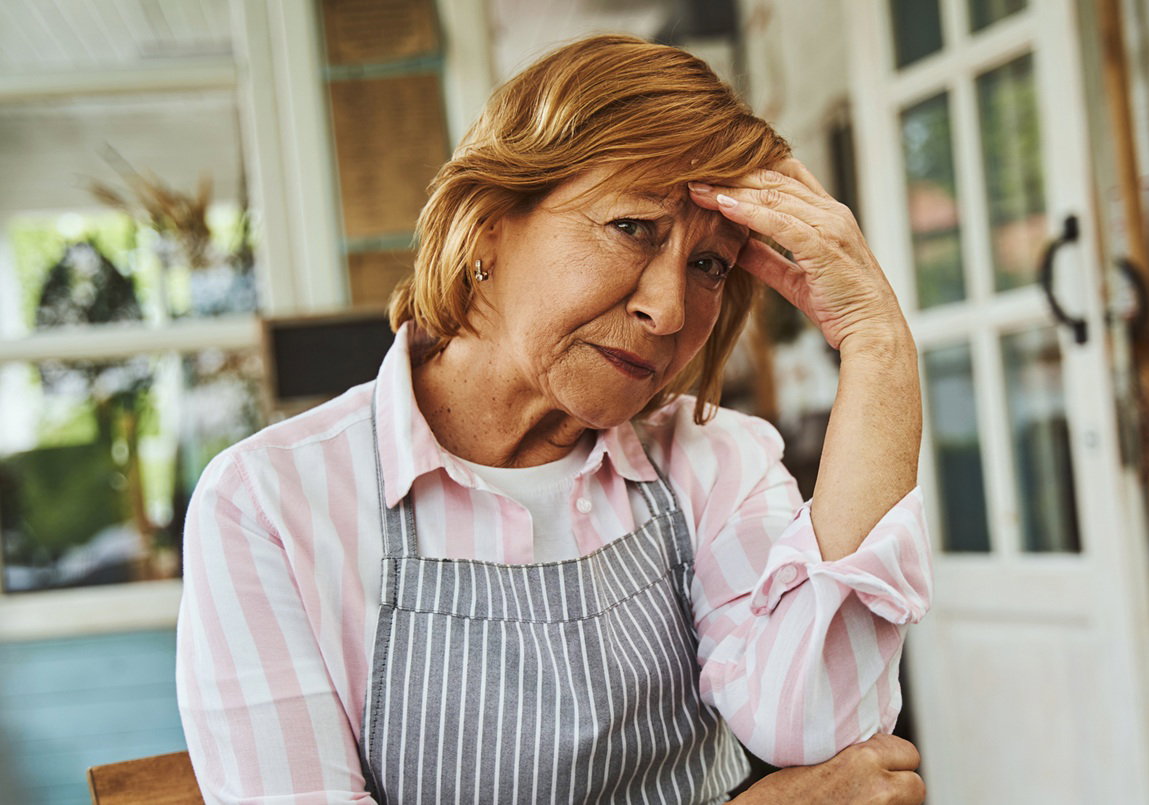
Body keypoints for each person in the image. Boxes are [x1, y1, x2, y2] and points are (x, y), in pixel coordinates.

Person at [176, 34, 931, 804]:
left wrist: (878, 347)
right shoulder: (267, 504)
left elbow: (822, 726)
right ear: (488, 223)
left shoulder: (715, 462)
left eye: (708, 264)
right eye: (634, 227)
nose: (669, 310)